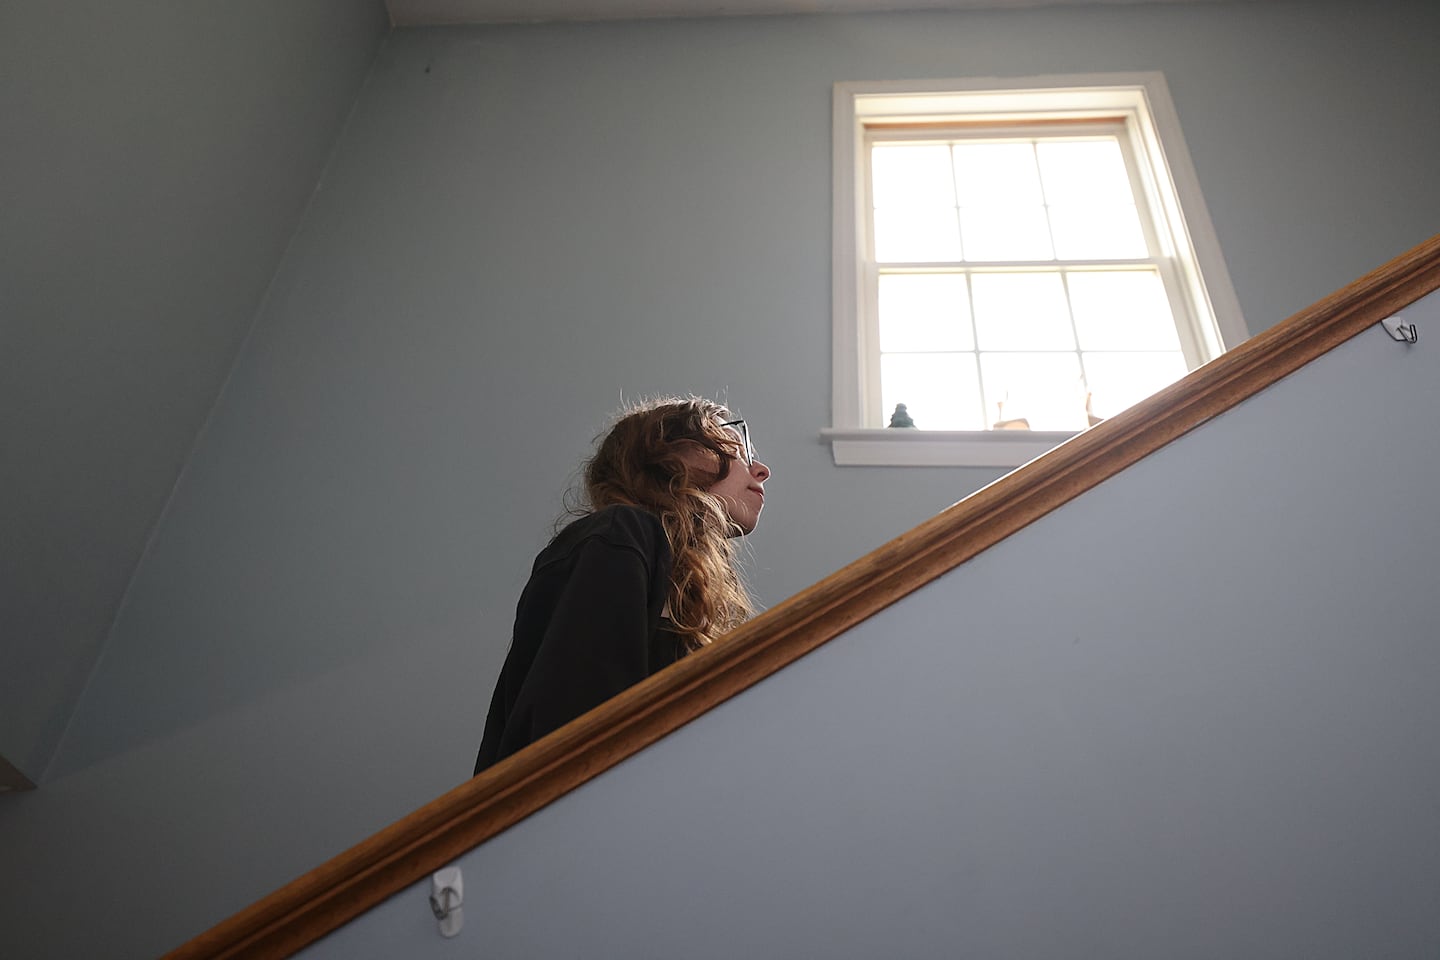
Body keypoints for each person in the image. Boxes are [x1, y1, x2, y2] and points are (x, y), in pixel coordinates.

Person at [474, 396, 771, 774]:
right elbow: (578, 727)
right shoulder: (621, 534)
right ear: (671, 458)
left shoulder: (681, 578)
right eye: (736, 450)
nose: (761, 470)